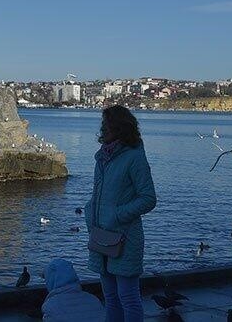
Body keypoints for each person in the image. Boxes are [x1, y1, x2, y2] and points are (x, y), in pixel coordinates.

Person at [84, 105, 157, 322]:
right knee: (110, 297)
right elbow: (98, 195)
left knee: (128, 297)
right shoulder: (102, 158)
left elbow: (149, 198)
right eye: (103, 124)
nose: (103, 128)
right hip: (101, 236)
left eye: (107, 125)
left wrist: (118, 215)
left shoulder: (134, 157)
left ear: (120, 127)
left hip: (125, 238)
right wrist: (91, 212)